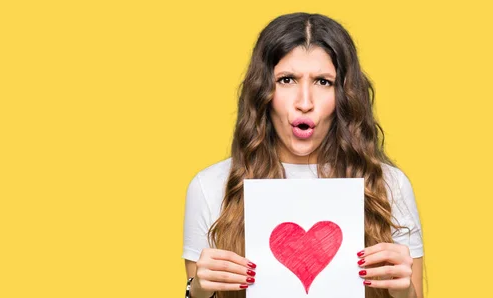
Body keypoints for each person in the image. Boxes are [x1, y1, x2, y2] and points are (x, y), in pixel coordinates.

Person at [182, 12, 424, 298]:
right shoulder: (211, 187)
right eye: (287, 80)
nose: (304, 102)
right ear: (263, 92)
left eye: (323, 82)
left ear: (344, 95)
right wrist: (197, 290)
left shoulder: (389, 186)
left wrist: (404, 291)